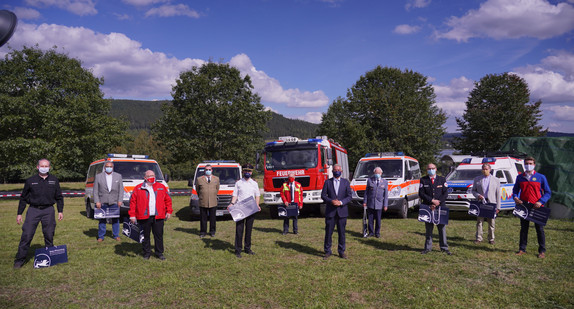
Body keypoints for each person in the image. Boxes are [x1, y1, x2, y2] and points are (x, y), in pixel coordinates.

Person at [14, 159, 64, 269]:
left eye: (46, 166)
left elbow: (59, 197)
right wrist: (19, 213)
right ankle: (20, 260)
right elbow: (23, 198)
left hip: (49, 210)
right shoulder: (30, 181)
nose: (44, 167)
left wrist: (60, 211)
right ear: (37, 167)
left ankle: (50, 257)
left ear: (49, 167)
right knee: (26, 235)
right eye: (42, 165)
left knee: (49, 234)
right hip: (33, 210)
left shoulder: (54, 180)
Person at [129, 170, 172, 260]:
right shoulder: (138, 188)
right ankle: (146, 253)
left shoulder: (161, 187)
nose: (151, 177)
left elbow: (167, 200)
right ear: (145, 177)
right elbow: (133, 203)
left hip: (158, 216)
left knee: (159, 235)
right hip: (144, 216)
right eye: (149, 176)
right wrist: (132, 215)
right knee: (145, 236)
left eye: (153, 175)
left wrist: (169, 211)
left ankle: (159, 252)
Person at [513, 156, 551, 258]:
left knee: (539, 229)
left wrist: (541, 201)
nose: (528, 165)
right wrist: (515, 197)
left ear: (534, 165)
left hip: (537, 206)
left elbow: (548, 192)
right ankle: (522, 249)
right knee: (524, 228)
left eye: (530, 163)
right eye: (526, 163)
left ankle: (542, 251)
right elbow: (515, 190)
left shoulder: (541, 177)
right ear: (524, 164)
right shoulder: (520, 177)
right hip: (524, 206)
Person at [321, 164, 353, 259]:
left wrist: (341, 202)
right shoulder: (327, 182)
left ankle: (341, 251)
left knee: (342, 233)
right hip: (330, 212)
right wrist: (331, 201)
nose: (337, 171)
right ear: (332, 171)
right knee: (328, 233)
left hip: (342, 212)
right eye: (335, 169)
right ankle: (327, 251)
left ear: (341, 171)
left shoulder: (346, 182)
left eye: (338, 169)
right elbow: (323, 195)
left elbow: (349, 196)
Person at [229, 163, 260, 258]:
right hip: (240, 209)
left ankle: (247, 248)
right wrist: (232, 203)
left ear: (252, 172)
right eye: (246, 171)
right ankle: (238, 249)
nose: (247, 172)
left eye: (249, 171)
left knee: (249, 230)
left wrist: (257, 205)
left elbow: (257, 195)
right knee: (239, 230)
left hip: (251, 209)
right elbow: (235, 195)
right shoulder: (238, 183)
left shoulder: (254, 183)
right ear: (243, 172)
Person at [419, 163, 451, 255]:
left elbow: (445, 194)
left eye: (432, 168)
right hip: (428, 207)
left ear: (436, 169)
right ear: (426, 170)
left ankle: (444, 248)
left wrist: (438, 202)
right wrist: (432, 201)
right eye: (429, 168)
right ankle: (427, 248)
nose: (431, 170)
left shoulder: (442, 179)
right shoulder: (423, 180)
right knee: (428, 229)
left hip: (440, 207)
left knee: (442, 229)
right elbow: (421, 193)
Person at [93, 161, 124, 242]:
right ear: (104, 167)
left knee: (115, 220)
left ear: (113, 167)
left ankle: (116, 235)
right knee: (102, 220)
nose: (109, 168)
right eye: (107, 166)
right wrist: (97, 201)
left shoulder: (118, 176)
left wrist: (120, 200)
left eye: (110, 166)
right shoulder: (98, 176)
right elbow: (95, 190)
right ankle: (101, 236)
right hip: (102, 201)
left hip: (114, 201)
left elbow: (121, 190)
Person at [471, 163, 501, 244]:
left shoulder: (496, 180)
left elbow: (498, 194)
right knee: (479, 221)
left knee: (491, 222)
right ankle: (478, 238)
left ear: (490, 170)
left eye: (486, 169)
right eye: (483, 169)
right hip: (481, 203)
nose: (485, 171)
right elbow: (473, 190)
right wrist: (478, 195)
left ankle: (491, 239)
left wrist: (498, 207)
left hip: (491, 203)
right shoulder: (477, 179)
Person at [363, 167, 388, 238]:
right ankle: (371, 232)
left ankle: (377, 233)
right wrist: (365, 201)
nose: (377, 174)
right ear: (374, 173)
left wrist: (385, 205)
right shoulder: (370, 181)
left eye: (379, 173)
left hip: (379, 204)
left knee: (378, 219)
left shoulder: (385, 182)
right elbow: (366, 192)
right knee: (370, 219)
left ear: (381, 173)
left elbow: (386, 195)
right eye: (376, 173)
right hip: (371, 203)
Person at [197, 164, 220, 238]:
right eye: (207, 169)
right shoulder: (199, 179)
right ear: (204, 170)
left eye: (209, 169)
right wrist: (202, 196)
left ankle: (212, 231)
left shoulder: (216, 179)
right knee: (203, 218)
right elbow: (198, 190)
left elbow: (217, 189)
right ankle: (203, 232)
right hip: (203, 201)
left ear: (212, 170)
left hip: (213, 202)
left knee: (213, 218)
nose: (208, 171)